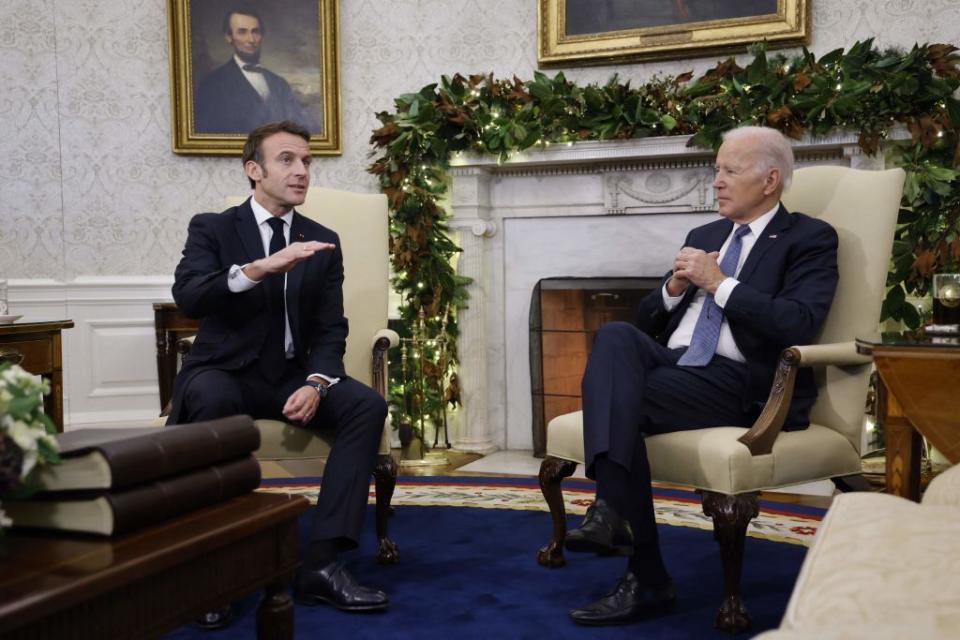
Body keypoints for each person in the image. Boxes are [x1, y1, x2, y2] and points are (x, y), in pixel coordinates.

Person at [565, 126, 839, 626]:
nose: (716, 182)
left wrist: (721, 285)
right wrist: (672, 287)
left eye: (729, 170)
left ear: (770, 180)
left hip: (741, 379)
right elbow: (649, 324)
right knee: (615, 337)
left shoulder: (809, 238)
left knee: (614, 400)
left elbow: (799, 322)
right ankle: (616, 522)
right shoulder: (705, 237)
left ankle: (635, 556)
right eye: (716, 169)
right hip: (676, 364)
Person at [167, 120, 389, 625]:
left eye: (307, 161)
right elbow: (190, 296)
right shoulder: (214, 228)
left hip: (292, 376)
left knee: (366, 406)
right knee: (211, 400)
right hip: (225, 370)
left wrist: (318, 382)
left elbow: (332, 328)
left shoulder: (322, 240)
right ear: (254, 170)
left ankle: (322, 564)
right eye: (287, 159)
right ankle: (215, 570)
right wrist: (260, 268)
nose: (301, 171)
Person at [194, 7, 317, 134]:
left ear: (262, 36)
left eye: (255, 32)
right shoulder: (212, 84)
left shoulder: (279, 84)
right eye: (242, 32)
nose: (251, 40)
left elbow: (299, 128)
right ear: (228, 37)